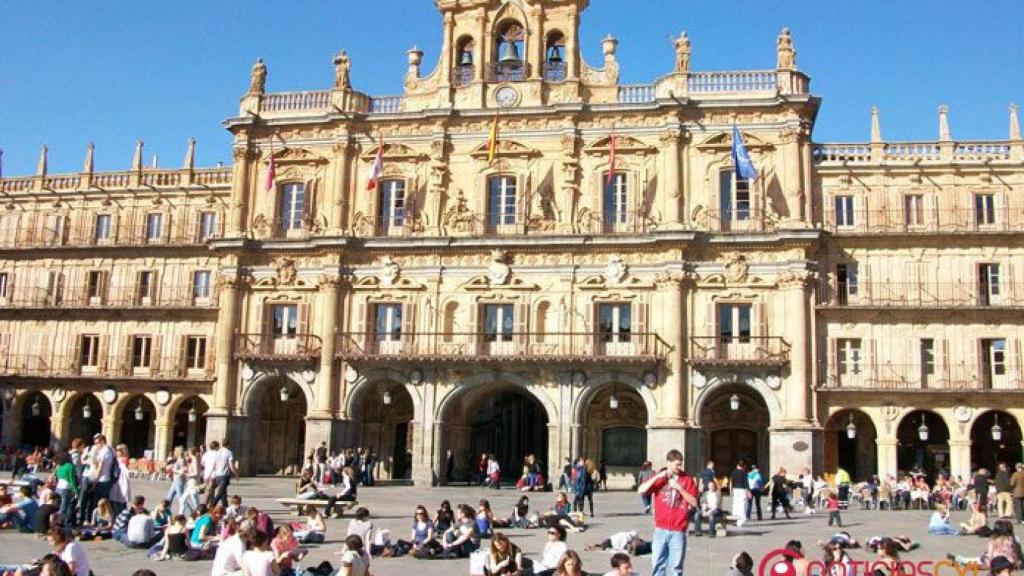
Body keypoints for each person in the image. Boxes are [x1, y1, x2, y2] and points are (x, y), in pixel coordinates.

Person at [638, 449, 699, 576]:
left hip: (678, 529)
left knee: (676, 567)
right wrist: (658, 476)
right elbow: (641, 490)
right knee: (657, 563)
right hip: (660, 528)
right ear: (669, 462)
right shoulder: (660, 479)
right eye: (677, 464)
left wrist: (679, 488)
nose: (679, 467)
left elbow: (694, 502)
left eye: (680, 464)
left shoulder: (687, 480)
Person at [53, 452, 77, 529]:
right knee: (64, 508)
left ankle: (55, 521)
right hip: (66, 488)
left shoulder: (59, 466)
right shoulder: (70, 466)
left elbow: (56, 476)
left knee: (58, 506)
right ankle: (60, 523)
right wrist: (75, 490)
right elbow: (72, 479)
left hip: (58, 487)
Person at [729, 462, 748, 528]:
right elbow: (746, 483)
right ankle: (741, 520)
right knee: (742, 505)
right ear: (743, 466)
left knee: (735, 505)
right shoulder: (744, 472)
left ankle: (735, 520)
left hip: (735, 490)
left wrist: (730, 490)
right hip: (742, 490)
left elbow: (731, 482)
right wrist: (748, 491)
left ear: (737, 465)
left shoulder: (733, 472)